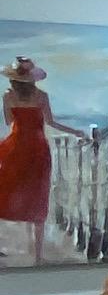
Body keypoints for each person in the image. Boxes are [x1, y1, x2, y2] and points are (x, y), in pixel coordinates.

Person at [0, 56, 85, 266]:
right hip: (37, 149)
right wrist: (75, 131)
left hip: (16, 148)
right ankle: (37, 256)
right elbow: (51, 122)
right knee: (37, 196)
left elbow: (9, 122)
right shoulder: (42, 96)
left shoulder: (8, 96)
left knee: (7, 192)